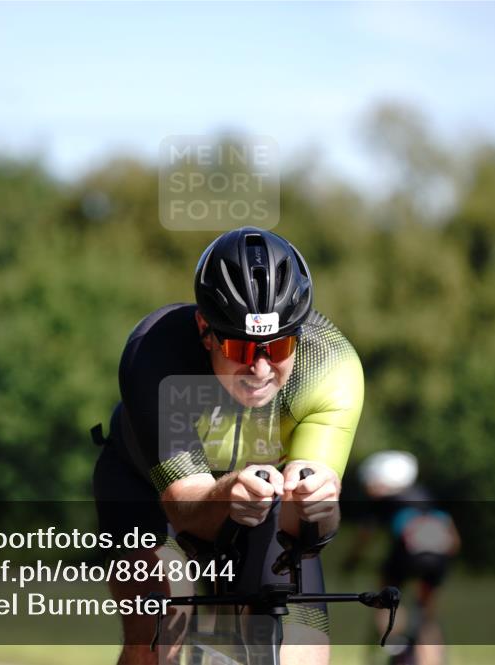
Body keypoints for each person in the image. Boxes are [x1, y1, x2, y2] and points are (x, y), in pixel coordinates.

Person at [92, 226, 365, 665]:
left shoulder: (331, 367)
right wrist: (230, 489)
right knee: (163, 630)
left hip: (260, 493)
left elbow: (309, 532)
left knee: (303, 654)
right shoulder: (156, 353)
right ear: (205, 329)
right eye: (241, 347)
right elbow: (185, 510)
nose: (259, 368)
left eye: (278, 346)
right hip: (146, 489)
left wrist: (317, 505)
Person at [356, 451, 460, 665]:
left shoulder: (384, 501)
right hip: (438, 558)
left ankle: (395, 643)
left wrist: (352, 559)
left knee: (387, 599)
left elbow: (365, 536)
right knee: (426, 616)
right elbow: (454, 539)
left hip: (404, 557)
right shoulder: (427, 496)